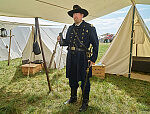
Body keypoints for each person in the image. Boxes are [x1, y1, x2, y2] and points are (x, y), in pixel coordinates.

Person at [57, 5, 99, 112]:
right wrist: (61, 40)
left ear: (82, 15)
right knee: (72, 78)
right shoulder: (71, 28)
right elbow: (67, 42)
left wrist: (93, 59)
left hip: (83, 58)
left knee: (84, 81)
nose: (74, 16)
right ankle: (73, 98)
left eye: (77, 14)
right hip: (71, 56)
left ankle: (85, 102)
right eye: (73, 14)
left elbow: (95, 44)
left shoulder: (90, 27)